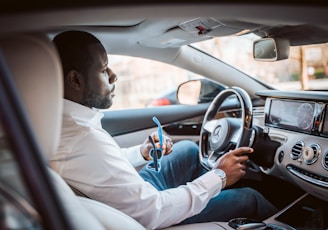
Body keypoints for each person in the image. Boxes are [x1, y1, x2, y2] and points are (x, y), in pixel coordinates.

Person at [50, 30, 277, 230]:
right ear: (75, 80)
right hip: (145, 217)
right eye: (103, 69)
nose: (113, 75)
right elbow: (153, 212)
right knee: (249, 199)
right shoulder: (81, 138)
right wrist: (219, 177)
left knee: (188, 150)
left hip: (128, 199)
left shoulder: (61, 124)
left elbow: (99, 168)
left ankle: (202, 199)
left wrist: (141, 152)